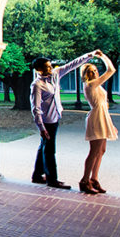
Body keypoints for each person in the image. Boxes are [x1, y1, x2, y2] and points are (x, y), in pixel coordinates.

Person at [30, 49, 97, 189]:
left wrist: (88, 55)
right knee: (49, 150)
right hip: (47, 121)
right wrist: (41, 128)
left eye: (50, 65)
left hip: (55, 117)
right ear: (39, 69)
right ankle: (52, 180)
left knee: (44, 146)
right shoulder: (37, 85)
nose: (51, 68)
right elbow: (35, 108)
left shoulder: (55, 74)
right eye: (47, 66)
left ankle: (37, 175)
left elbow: (72, 64)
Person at [78, 50, 118, 194]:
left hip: (103, 117)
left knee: (101, 150)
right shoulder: (90, 85)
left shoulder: (96, 85)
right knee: (94, 151)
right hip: (96, 118)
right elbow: (111, 70)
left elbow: (104, 105)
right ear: (85, 74)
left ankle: (94, 179)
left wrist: (111, 124)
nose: (94, 72)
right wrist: (102, 57)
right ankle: (84, 180)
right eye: (90, 71)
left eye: (95, 70)